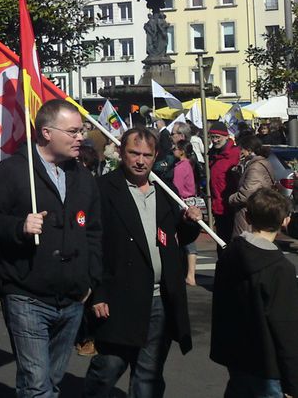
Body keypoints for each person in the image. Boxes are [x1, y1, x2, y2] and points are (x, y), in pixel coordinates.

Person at [0, 99, 102, 398]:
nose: (80, 137)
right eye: (72, 131)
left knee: (52, 381)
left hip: (72, 297)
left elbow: (95, 232)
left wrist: (90, 281)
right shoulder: (12, 171)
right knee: (36, 384)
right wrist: (19, 226)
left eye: (81, 130)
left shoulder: (82, 176)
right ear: (47, 132)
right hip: (27, 294)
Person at [83, 127, 202, 397]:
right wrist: (98, 292)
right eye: (134, 153)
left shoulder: (164, 189)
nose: (140, 160)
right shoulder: (103, 189)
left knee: (148, 375)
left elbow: (178, 237)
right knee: (109, 366)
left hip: (160, 298)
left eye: (147, 155)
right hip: (119, 296)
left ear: (155, 155)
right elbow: (92, 245)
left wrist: (188, 222)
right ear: (121, 153)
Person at [211, 187, 298, 398]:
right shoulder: (281, 269)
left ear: (247, 216)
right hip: (268, 365)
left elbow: (222, 307)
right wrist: (293, 381)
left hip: (237, 357)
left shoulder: (229, 255)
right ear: (284, 221)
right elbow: (285, 328)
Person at [171, 139, 200, 286]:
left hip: (183, 202)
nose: (173, 150)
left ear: (182, 151)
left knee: (187, 239)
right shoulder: (188, 164)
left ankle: (190, 275)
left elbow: (176, 188)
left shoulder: (181, 167)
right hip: (189, 201)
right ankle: (189, 274)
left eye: (175, 148)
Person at [208, 122, 240, 250]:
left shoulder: (234, 153)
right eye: (212, 137)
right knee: (221, 243)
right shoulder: (213, 154)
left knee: (231, 243)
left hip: (231, 206)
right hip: (218, 205)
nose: (215, 140)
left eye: (218, 137)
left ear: (226, 136)